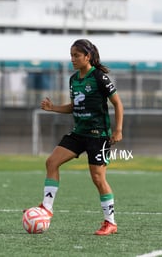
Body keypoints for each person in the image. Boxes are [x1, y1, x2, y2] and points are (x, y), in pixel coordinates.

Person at [28, 39, 124, 236]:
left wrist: (118, 130)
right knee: (51, 162)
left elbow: (118, 104)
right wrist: (53, 107)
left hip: (98, 135)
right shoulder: (73, 79)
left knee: (98, 178)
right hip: (79, 132)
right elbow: (74, 106)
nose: (72, 59)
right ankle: (47, 208)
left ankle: (110, 222)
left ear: (87, 57)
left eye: (76, 55)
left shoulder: (99, 77)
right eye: (71, 55)